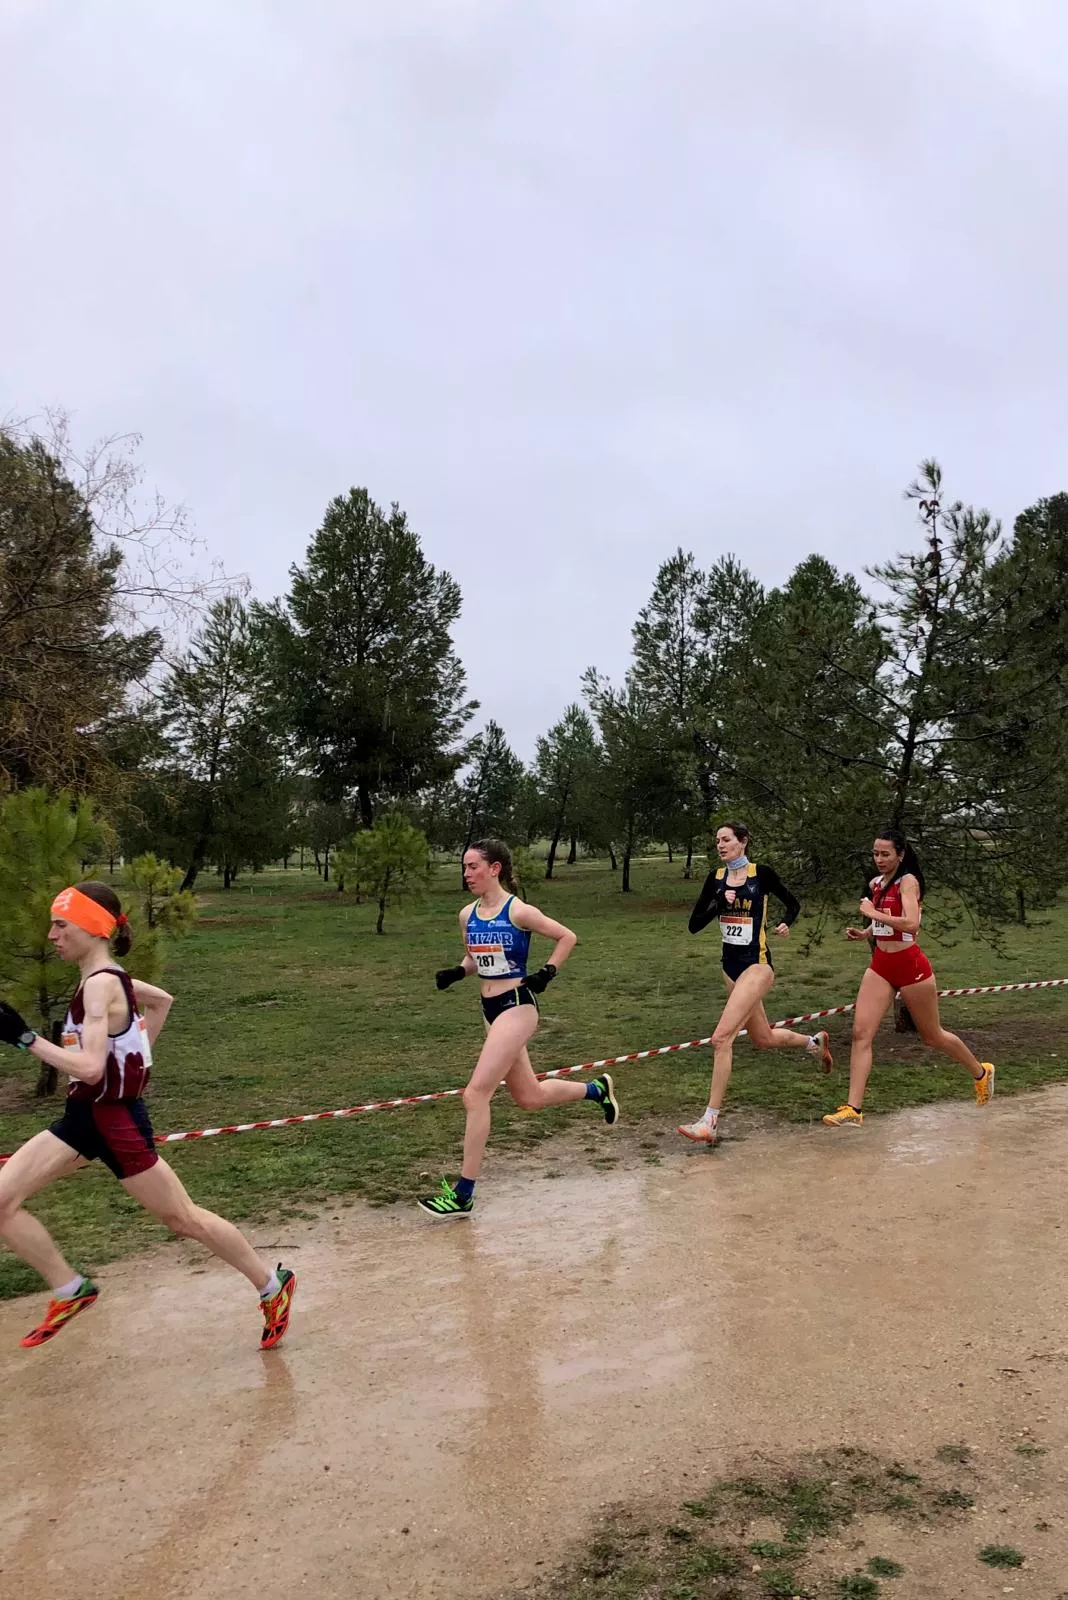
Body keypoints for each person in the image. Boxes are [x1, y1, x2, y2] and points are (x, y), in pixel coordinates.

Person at [0, 881, 296, 1350]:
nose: (51, 935)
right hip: (83, 1118)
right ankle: (68, 1289)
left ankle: (270, 1285)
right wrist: (134, 1062)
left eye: (60, 924)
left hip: (113, 1124)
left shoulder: (100, 986)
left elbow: (92, 1067)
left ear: (93, 926)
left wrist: (24, 1039)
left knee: (183, 1219)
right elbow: (162, 1002)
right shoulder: (108, 977)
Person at [418, 838, 618, 1217]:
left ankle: (463, 1195)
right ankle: (596, 1090)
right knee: (530, 1097)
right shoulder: (467, 915)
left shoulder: (519, 911)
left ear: (495, 869)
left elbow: (566, 936)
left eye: (473, 866)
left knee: (475, 1095)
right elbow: (477, 956)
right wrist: (458, 971)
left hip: (517, 1006)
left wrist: (548, 972)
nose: (467, 874)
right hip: (489, 1009)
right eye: (464, 867)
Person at [822, 826, 994, 1126]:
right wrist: (865, 931)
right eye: (875, 853)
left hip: (911, 966)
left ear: (900, 855)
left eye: (886, 854)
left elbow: (912, 924)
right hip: (880, 966)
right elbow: (886, 925)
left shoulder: (909, 882)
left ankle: (981, 1072)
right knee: (861, 1034)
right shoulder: (877, 883)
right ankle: (854, 1109)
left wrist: (873, 915)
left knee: (932, 1036)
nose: (879, 859)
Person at [677, 820, 832, 1146]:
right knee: (763, 1038)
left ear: (743, 842)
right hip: (729, 969)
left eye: (727, 839)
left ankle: (710, 1121)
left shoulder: (762, 874)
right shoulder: (716, 879)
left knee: (721, 1039)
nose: (720, 845)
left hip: (758, 966)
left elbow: (793, 903)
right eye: (717, 840)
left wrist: (785, 923)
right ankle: (813, 1043)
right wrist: (720, 904)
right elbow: (694, 925)